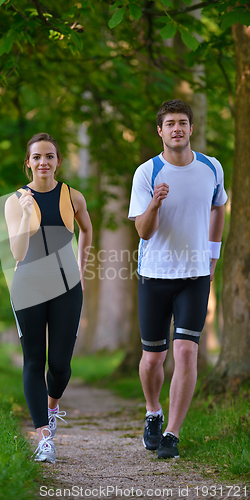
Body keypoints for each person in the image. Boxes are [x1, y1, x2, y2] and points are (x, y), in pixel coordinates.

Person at [128, 99, 227, 459]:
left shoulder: (211, 168)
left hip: (197, 274)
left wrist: (213, 255)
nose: (177, 129)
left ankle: (171, 433)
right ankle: (153, 411)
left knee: (186, 351)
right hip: (154, 275)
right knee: (154, 359)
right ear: (160, 131)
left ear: (191, 127)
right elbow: (143, 230)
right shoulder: (147, 172)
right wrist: (154, 203)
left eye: (182, 122)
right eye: (170, 123)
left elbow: (219, 206)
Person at [5, 133, 92, 463]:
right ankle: (43, 437)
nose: (44, 162)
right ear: (28, 163)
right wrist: (27, 215)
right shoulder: (16, 201)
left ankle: (52, 406)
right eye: (37, 157)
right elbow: (18, 251)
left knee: (59, 365)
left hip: (67, 286)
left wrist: (81, 268)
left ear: (58, 161)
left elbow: (87, 229)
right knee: (33, 361)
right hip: (28, 285)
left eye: (50, 156)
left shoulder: (73, 196)